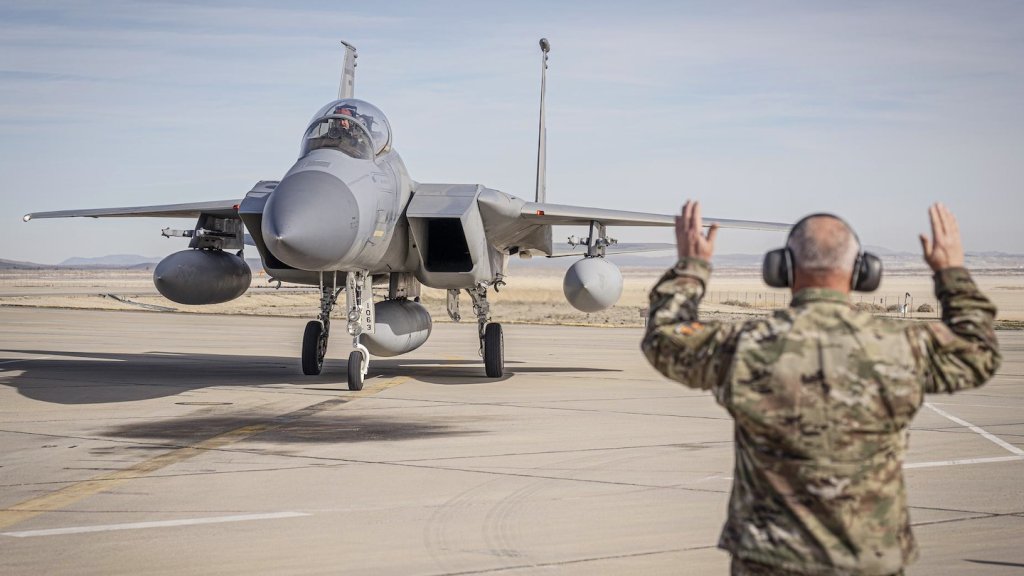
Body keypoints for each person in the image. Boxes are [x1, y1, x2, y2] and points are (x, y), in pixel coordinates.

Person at [641, 201, 1000, 576]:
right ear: (863, 273)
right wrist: (951, 271)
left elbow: (664, 340)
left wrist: (691, 268)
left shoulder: (745, 345)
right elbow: (978, 352)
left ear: (782, 269)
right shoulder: (901, 346)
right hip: (868, 562)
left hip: (769, 562)